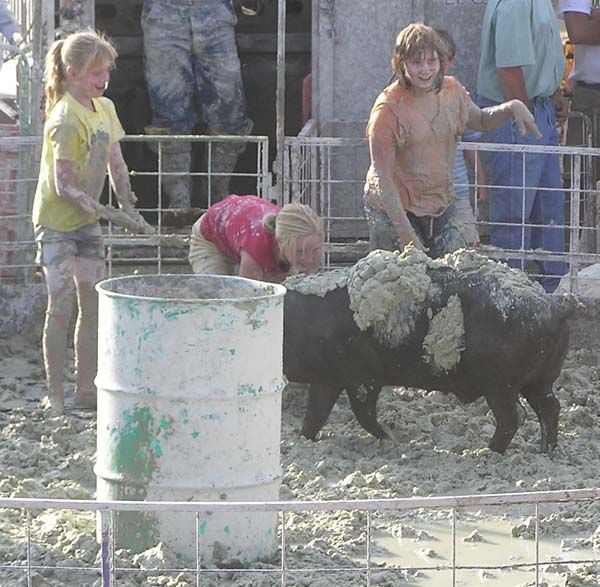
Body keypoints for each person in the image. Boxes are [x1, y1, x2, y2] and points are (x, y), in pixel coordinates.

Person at [32, 30, 153, 415]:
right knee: (61, 304)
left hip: (87, 221)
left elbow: (115, 162)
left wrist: (128, 203)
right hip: (57, 223)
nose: (104, 80)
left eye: (106, 72)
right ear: (71, 72)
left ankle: (85, 390)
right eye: (95, 73)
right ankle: (55, 394)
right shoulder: (65, 118)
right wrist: (111, 214)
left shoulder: (105, 108)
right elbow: (63, 185)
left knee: (91, 303)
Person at [364, 23, 540, 259]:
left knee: (453, 277)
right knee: (402, 283)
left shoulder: (451, 90)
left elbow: (480, 119)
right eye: (416, 62)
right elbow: (384, 180)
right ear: (401, 63)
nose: (425, 70)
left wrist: (512, 107)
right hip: (393, 211)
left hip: (439, 206)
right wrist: (408, 239)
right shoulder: (387, 110)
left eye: (431, 61)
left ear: (441, 61)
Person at [477, 0, 569, 293]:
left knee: (549, 205)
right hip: (516, 113)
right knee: (515, 212)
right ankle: (512, 298)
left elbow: (540, 54)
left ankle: (550, 292)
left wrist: (553, 95)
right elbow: (508, 69)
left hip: (534, 106)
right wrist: (527, 116)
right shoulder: (516, 3)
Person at [141, 0, 253, 208]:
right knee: (168, 109)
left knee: (228, 106)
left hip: (213, 9)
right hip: (163, 10)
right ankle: (178, 204)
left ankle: (217, 198)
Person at [188, 195, 324, 280]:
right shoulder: (257, 247)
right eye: (300, 252)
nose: (308, 259)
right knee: (218, 296)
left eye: (315, 251)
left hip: (239, 233)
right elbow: (247, 301)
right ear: (280, 242)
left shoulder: (302, 238)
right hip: (210, 238)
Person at [436, 29, 488, 246]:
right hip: (422, 192)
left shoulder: (458, 95)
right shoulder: (406, 98)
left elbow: (468, 142)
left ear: (451, 61)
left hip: (457, 189)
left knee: (468, 246)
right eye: (429, 60)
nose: (434, 68)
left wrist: (481, 179)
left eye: (441, 60)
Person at [558, 0, 600, 250]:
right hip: (589, 96)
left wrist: (594, 17)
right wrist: (586, 23)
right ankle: (573, 258)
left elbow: (585, 28)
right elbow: (577, 32)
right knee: (578, 181)